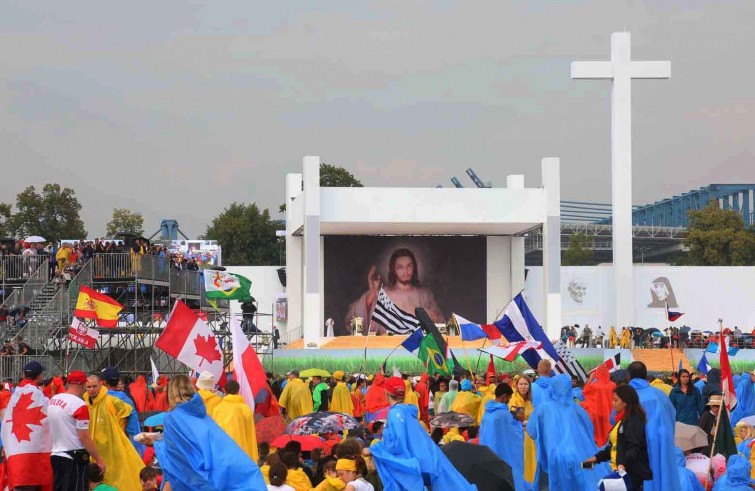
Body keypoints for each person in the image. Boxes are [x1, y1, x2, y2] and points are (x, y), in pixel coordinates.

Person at [147, 374, 267, 490]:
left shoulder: (173, 418)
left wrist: (155, 443)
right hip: (227, 460)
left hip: (194, 474)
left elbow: (174, 456)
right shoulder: (207, 409)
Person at [370, 377, 476, 490]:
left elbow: (396, 445)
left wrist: (375, 449)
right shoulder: (407, 411)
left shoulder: (395, 414)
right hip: (429, 463)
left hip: (419, 468)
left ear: (386, 392)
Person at [527, 374, 610, 491]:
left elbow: (532, 431)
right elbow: (590, 431)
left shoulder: (542, 409)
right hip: (581, 456)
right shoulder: (578, 409)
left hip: (554, 457)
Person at [345, 248, 443, 335]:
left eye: (409, 266)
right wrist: (372, 291)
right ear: (393, 270)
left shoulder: (425, 294)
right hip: (388, 349)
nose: (406, 271)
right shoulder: (383, 294)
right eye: (400, 267)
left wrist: (429, 316)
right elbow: (355, 318)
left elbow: (441, 324)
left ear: (414, 268)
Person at [84, 373, 145, 490]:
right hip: (95, 448)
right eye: (89, 387)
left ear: (100, 385)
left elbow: (130, 411)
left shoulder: (111, 401)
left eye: (94, 386)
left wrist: (130, 433)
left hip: (112, 447)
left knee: (117, 475)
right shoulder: (85, 403)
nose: (91, 390)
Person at [586, 385, 653, 491]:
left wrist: (623, 465)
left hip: (630, 475)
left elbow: (634, 446)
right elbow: (615, 446)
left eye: (615, 400)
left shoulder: (633, 421)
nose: (612, 403)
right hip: (622, 472)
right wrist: (596, 458)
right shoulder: (623, 421)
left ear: (625, 402)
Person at [627, 361, 680, 491]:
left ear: (629, 376)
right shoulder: (660, 394)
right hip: (661, 443)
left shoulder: (626, 396)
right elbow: (672, 415)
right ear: (646, 376)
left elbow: (614, 420)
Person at [49, 370, 106, 491]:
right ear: (83, 385)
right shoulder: (80, 405)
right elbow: (84, 436)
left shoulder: (53, 400)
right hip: (73, 458)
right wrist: (99, 459)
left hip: (55, 455)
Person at [1, 361, 53, 490]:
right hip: (33, 458)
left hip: (16, 455)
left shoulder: (16, 394)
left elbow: (7, 422)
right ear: (40, 376)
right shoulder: (37, 395)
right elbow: (49, 418)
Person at [480, 383, 525, 491]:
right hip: (501, 454)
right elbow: (514, 435)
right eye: (509, 399)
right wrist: (519, 423)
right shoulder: (503, 414)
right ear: (504, 396)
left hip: (488, 452)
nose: (509, 401)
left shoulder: (487, 412)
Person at [101, 367, 146, 458]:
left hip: (106, 445)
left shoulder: (100, 400)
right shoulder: (127, 400)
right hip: (126, 444)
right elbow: (133, 429)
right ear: (118, 381)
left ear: (104, 382)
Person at [212, 380, 259, 462]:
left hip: (224, 456)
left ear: (224, 390)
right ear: (238, 390)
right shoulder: (246, 409)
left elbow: (214, 435)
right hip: (244, 456)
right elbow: (250, 436)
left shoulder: (218, 409)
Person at [509, 374, 536, 485]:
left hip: (531, 437)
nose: (523, 387)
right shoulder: (513, 401)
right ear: (517, 385)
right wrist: (526, 423)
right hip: (518, 437)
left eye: (526, 384)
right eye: (521, 384)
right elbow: (512, 421)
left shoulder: (531, 400)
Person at [581, 364, 616, 446]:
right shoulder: (613, 385)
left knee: (599, 432)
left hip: (597, 411)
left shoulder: (594, 386)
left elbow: (584, 392)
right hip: (610, 411)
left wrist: (590, 379)